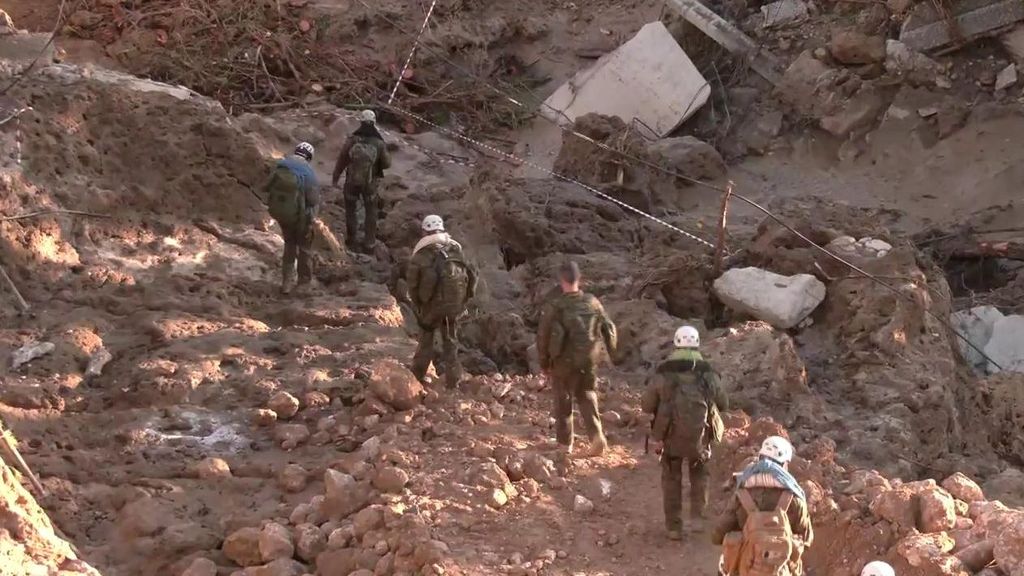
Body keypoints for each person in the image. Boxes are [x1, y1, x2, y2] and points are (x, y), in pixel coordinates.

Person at [641, 325, 729, 540]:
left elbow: (646, 405)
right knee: (700, 474)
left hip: (670, 436)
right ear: (697, 343)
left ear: (676, 343)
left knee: (671, 478)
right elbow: (724, 404)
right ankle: (697, 517)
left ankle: (674, 527)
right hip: (701, 436)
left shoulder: (664, 372)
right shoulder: (707, 372)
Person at [536, 261, 617, 458]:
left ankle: (565, 444)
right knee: (587, 395)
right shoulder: (592, 302)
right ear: (579, 279)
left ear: (561, 280)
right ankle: (596, 436)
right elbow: (609, 328)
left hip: (563, 362)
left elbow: (543, 336)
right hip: (589, 360)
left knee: (563, 401)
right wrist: (612, 353)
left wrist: (544, 362)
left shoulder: (556, 305)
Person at [713, 436, 813, 576]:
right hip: (781, 569)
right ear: (784, 465)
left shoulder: (742, 492)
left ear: (759, 459)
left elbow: (719, 532)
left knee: (726, 560)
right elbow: (806, 537)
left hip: (744, 569)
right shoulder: (794, 497)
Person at [406, 215, 477, 389]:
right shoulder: (455, 249)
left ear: (424, 231)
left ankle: (417, 378)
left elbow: (413, 285)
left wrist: (419, 305)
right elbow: (472, 275)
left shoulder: (420, 255)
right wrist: (464, 301)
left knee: (426, 342)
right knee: (450, 342)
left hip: (432, 307)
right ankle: (454, 382)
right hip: (454, 306)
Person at [332, 109, 391, 252]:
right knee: (371, 211)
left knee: (350, 210)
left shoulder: (352, 139)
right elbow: (387, 164)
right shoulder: (379, 142)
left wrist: (336, 177)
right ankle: (369, 243)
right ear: (374, 123)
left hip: (352, 181)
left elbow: (342, 160)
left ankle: (352, 240)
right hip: (370, 183)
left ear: (361, 121)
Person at [264, 142, 319, 295]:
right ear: (309, 157)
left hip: (283, 215)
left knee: (289, 245)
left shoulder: (281, 165)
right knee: (304, 248)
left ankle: (286, 283)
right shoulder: (309, 173)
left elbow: (266, 186)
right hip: (301, 217)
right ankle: (303, 283)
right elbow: (313, 200)